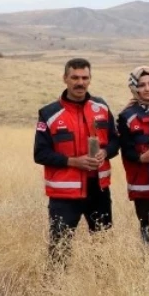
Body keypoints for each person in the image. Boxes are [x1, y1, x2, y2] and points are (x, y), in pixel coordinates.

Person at [33, 58, 121, 262]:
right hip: (64, 195)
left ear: (90, 79)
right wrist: (74, 162)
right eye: (75, 77)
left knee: (104, 247)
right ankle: (56, 291)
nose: (80, 82)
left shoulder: (101, 107)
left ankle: (103, 290)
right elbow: (40, 154)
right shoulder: (49, 113)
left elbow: (115, 142)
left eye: (84, 78)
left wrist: (105, 152)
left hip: (98, 190)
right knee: (59, 250)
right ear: (65, 78)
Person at [117, 66, 149, 244]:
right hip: (143, 186)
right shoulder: (127, 116)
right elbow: (125, 148)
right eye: (142, 85)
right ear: (134, 88)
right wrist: (142, 157)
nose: (147, 88)